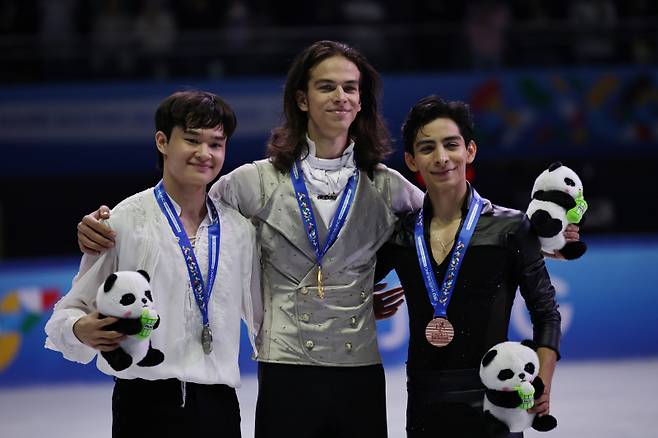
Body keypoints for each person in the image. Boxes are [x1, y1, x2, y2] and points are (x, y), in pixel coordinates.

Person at [75, 40, 424, 438]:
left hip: (358, 365)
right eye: (326, 86)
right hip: (284, 367)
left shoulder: (388, 187)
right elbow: (183, 212)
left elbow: (445, 230)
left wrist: (363, 290)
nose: (340, 97)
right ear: (301, 99)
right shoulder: (252, 182)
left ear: (361, 101)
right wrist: (101, 223)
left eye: (350, 87)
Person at [45, 91, 261, 438]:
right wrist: (78, 329)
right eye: (191, 140)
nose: (205, 153)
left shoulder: (239, 230)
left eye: (216, 144)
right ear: (162, 141)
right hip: (144, 406)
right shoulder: (122, 222)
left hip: (219, 407)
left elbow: (266, 315)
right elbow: (68, 312)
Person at [374, 96, 563, 438]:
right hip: (424, 400)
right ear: (411, 160)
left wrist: (543, 380)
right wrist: (365, 303)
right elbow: (352, 281)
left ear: (470, 151)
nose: (442, 157)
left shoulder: (509, 228)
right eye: (427, 148)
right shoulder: (400, 234)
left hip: (496, 400)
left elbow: (546, 311)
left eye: (451, 145)